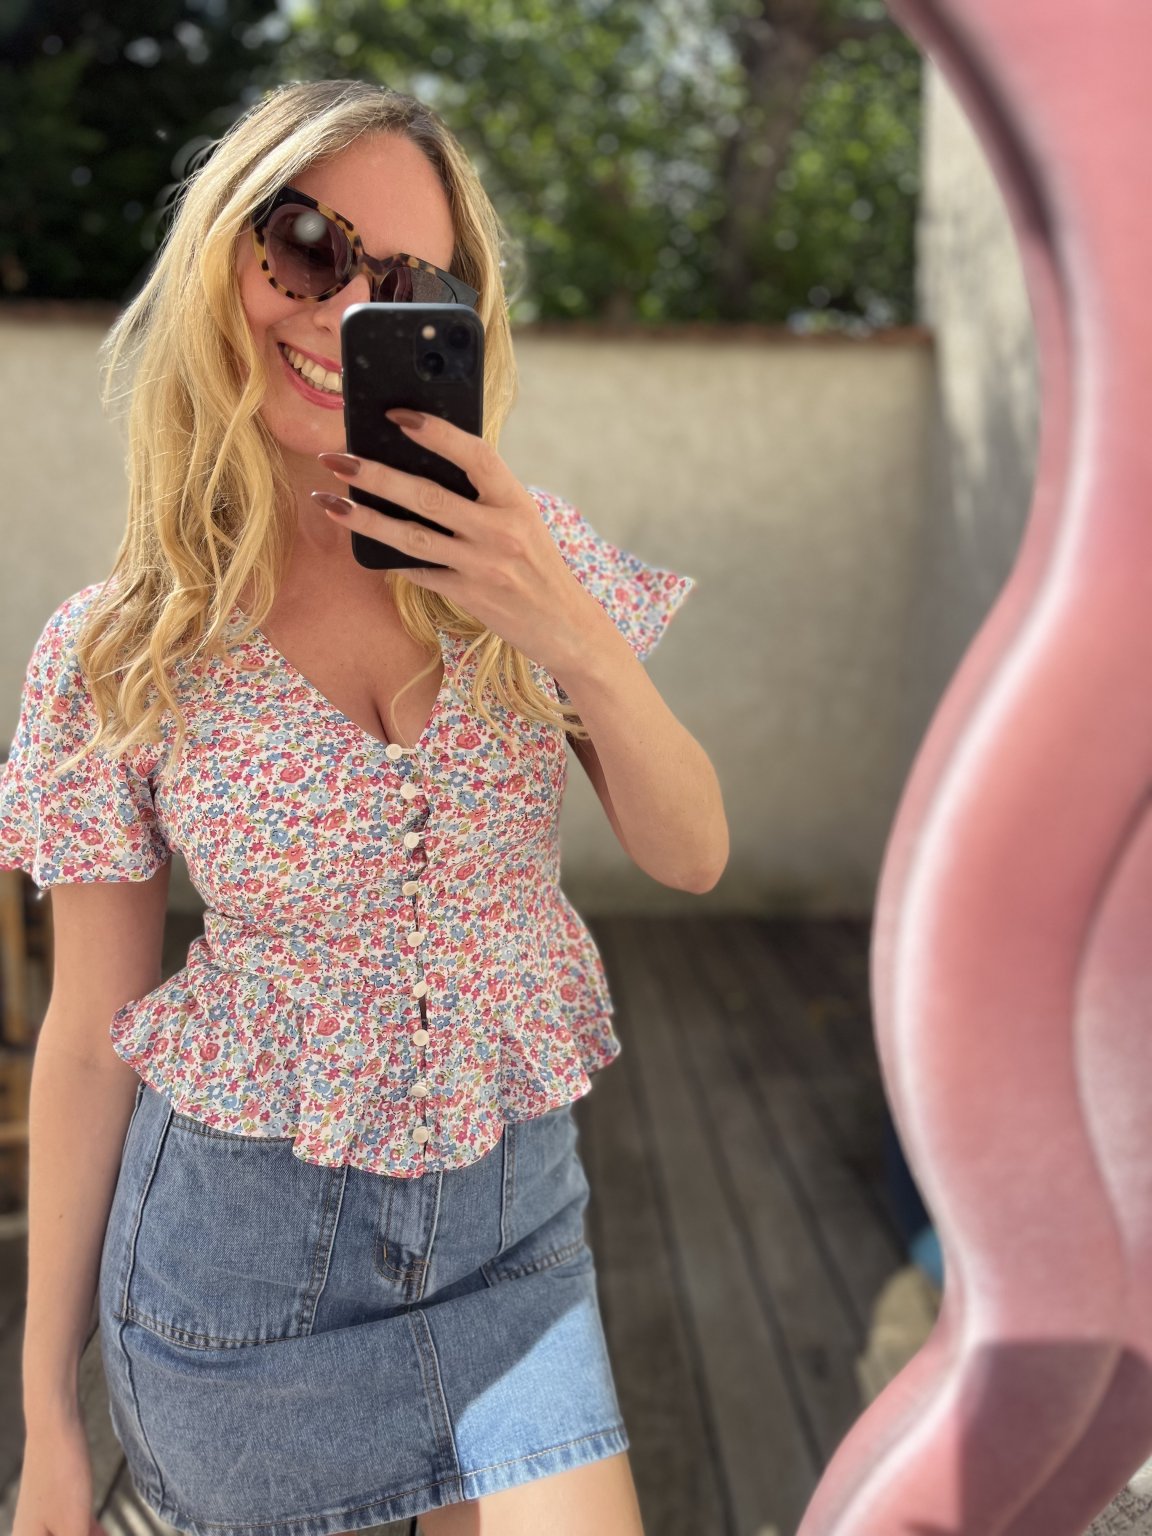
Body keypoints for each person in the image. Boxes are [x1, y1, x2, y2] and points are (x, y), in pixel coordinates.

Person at [4, 78, 727, 1536]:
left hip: (514, 1249)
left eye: (409, 286)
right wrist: (46, 1422)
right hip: (237, 1289)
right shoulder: (120, 647)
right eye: (307, 247)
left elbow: (692, 853)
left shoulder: (525, 561)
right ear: (223, 254)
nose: (347, 315)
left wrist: (566, 628)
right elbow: (87, 1035)